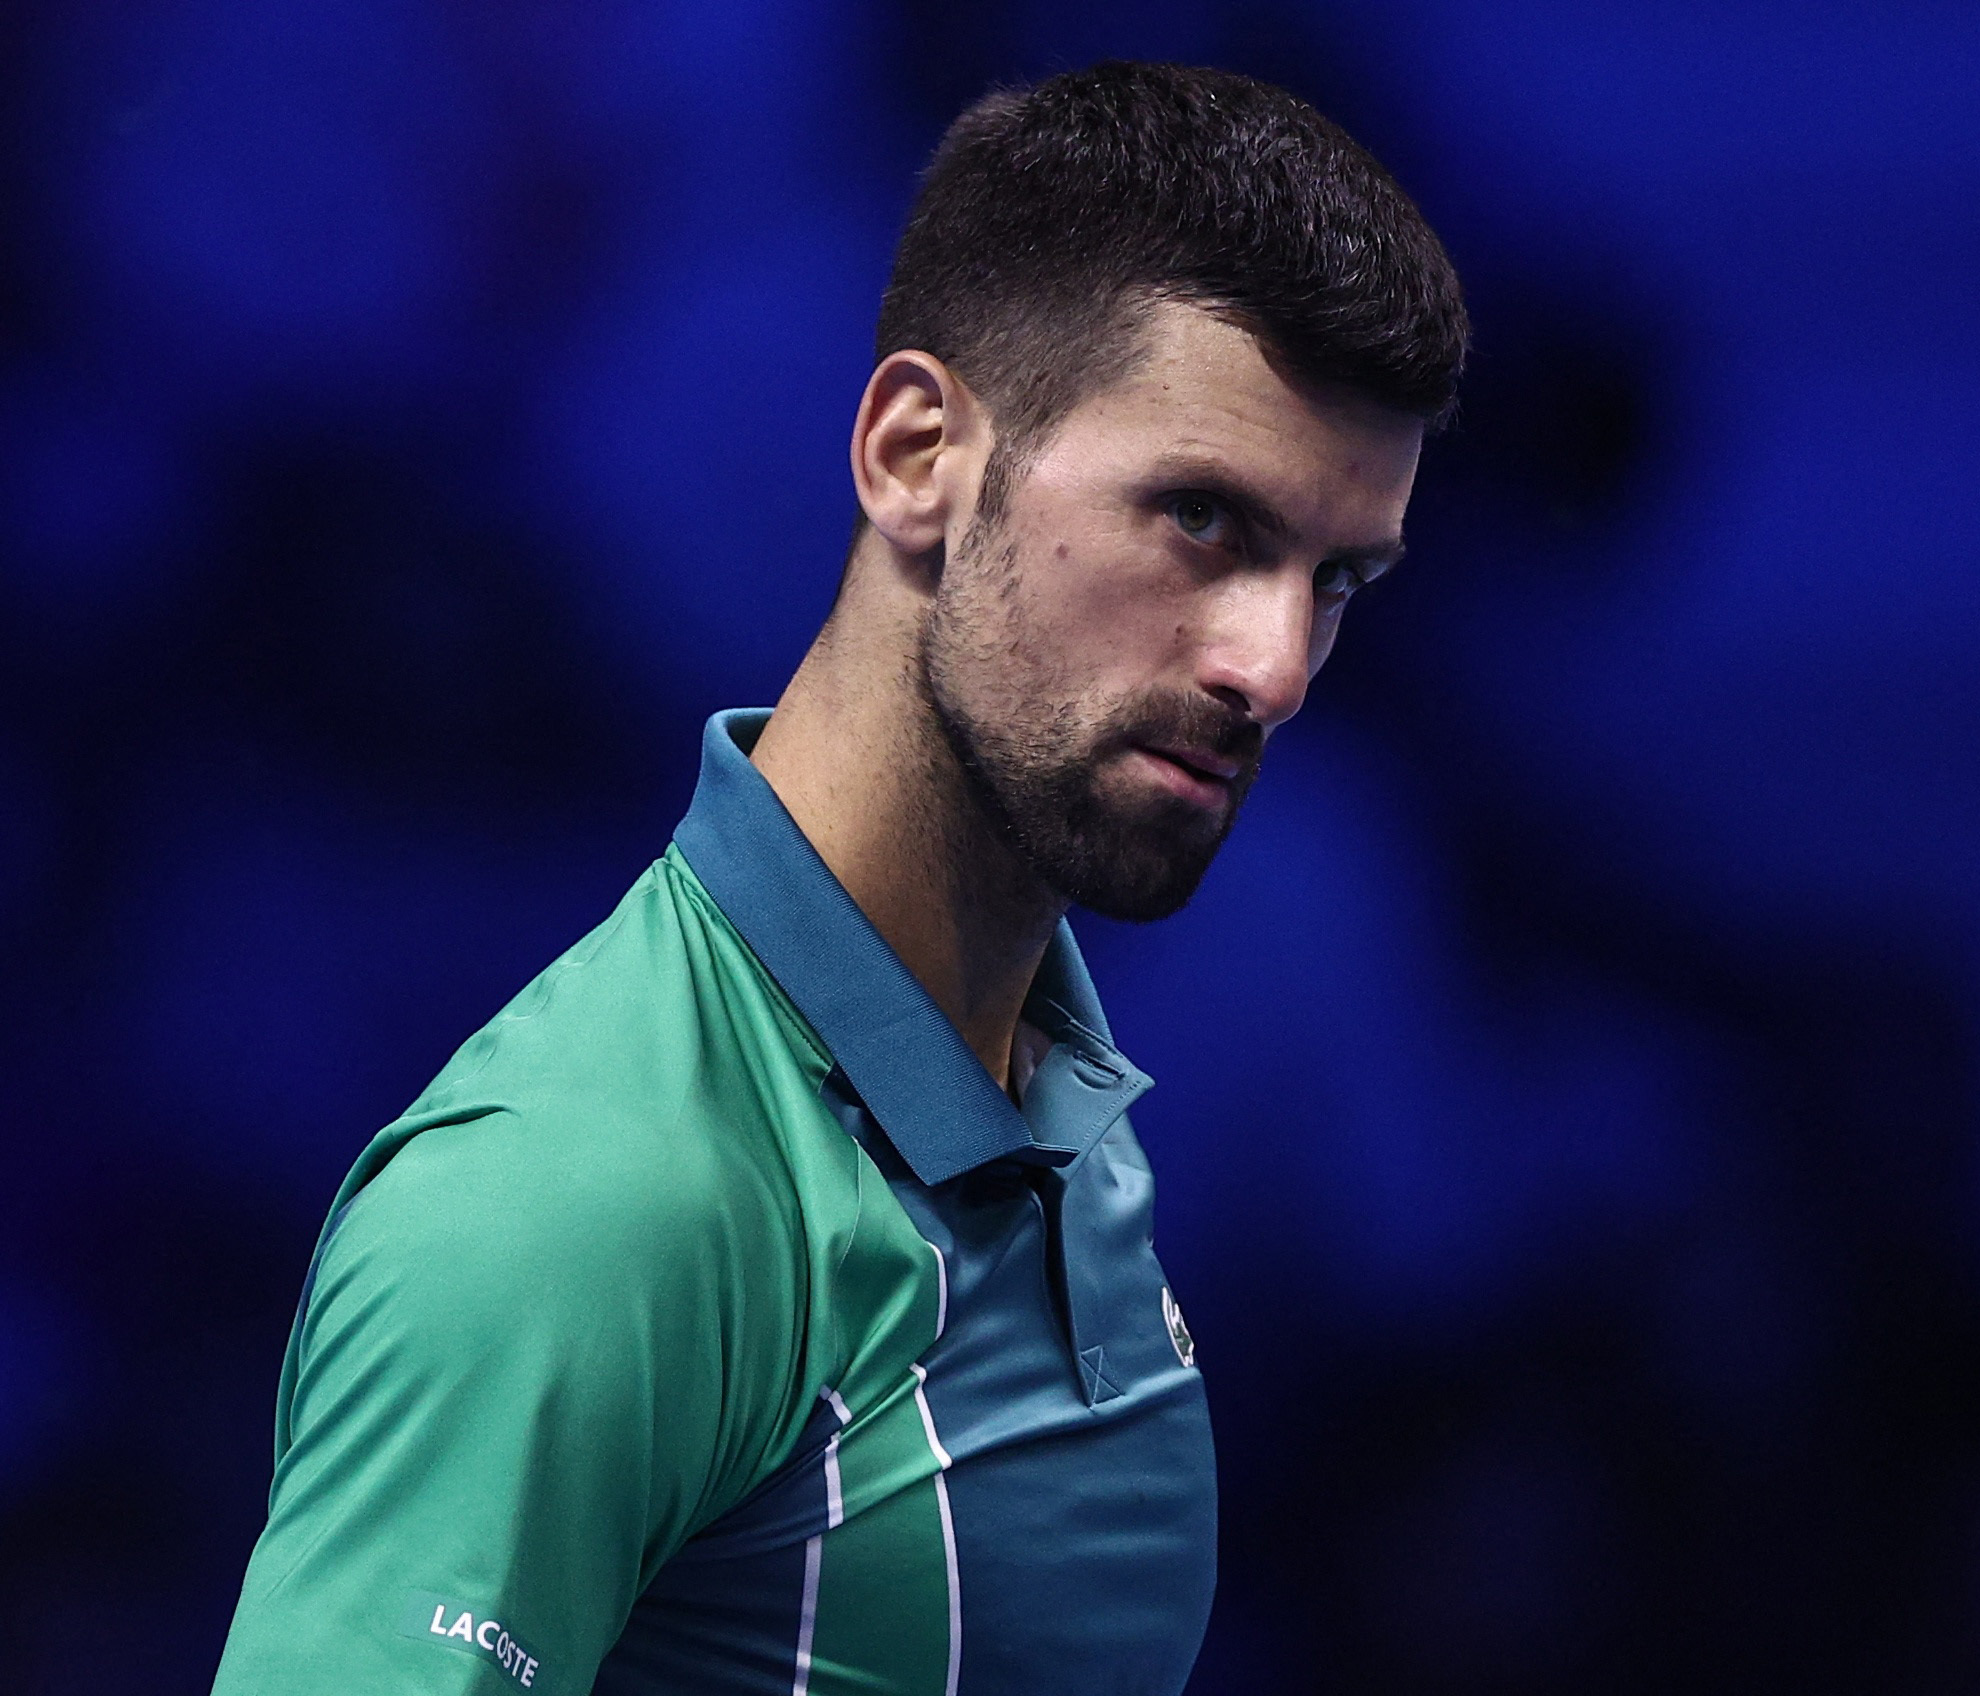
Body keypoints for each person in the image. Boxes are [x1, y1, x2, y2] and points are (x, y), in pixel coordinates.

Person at [210, 60, 1466, 1696]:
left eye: (1337, 581)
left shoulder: (1074, 1130)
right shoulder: (577, 1203)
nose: (1276, 665)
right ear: (915, 454)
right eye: (1203, 522)